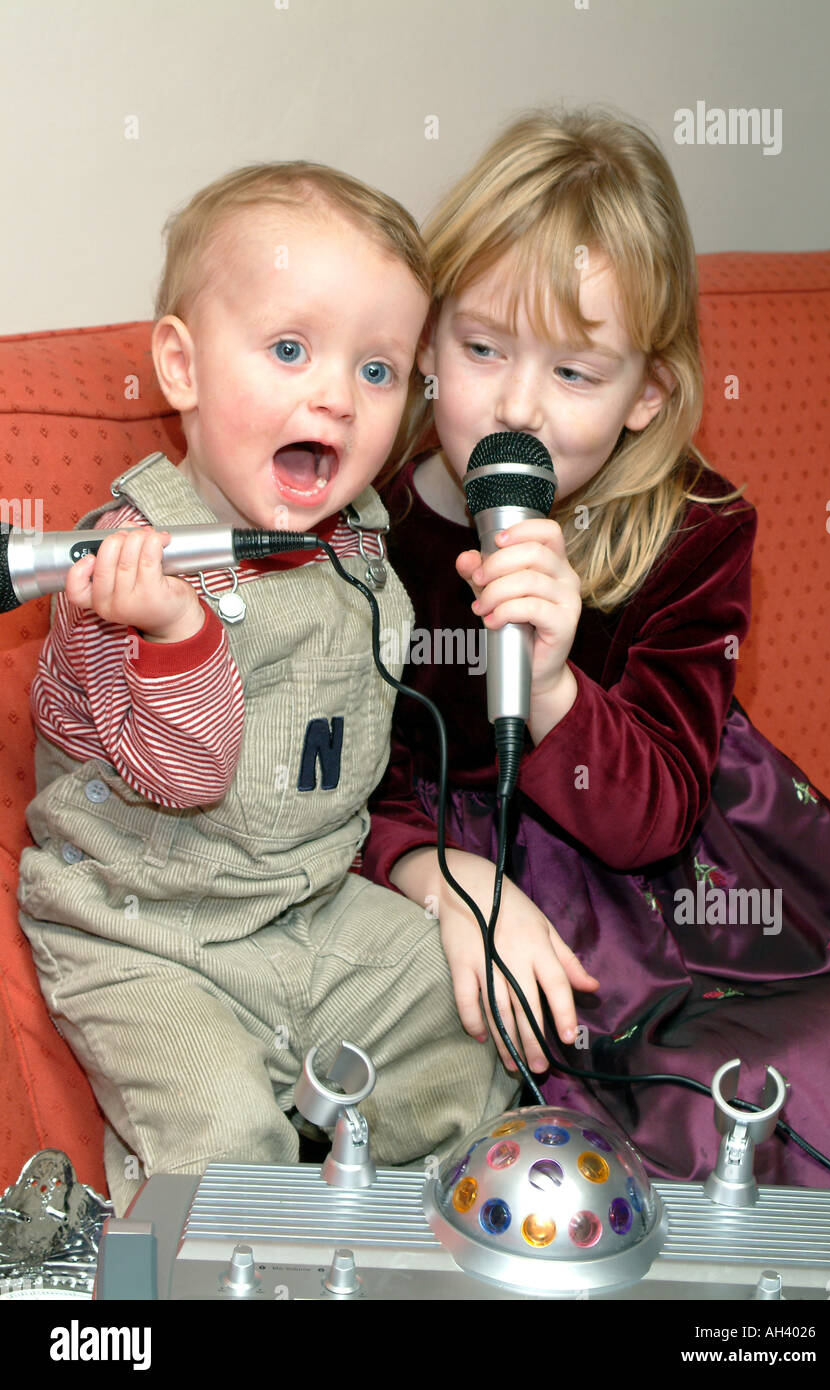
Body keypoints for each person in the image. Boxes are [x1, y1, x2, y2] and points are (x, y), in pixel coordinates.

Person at [363, 109, 830, 1191]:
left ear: (647, 393)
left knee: (797, 1075)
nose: (515, 406)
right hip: (464, 870)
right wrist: (434, 868)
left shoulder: (694, 532)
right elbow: (329, 779)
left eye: (575, 374)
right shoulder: (367, 521)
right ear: (424, 342)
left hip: (676, 880)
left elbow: (650, 816)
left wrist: (547, 683)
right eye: (481, 347)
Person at [17, 162, 517, 1217]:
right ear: (181, 368)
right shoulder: (121, 572)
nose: (334, 395)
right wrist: (176, 632)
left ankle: (427, 1254)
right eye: (289, 350)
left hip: (311, 906)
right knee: (220, 1147)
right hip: (148, 935)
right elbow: (183, 773)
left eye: (377, 371)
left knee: (464, 1035)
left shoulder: (359, 546)